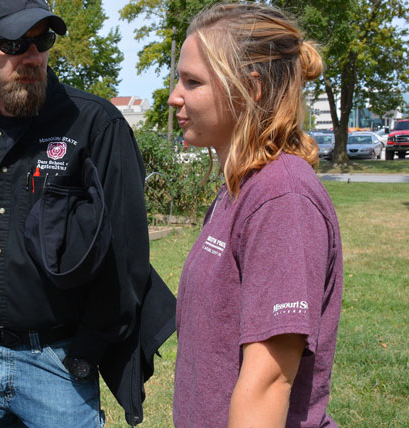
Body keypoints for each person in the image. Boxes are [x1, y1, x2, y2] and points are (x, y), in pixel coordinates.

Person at [0, 0, 175, 426]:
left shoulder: (94, 125)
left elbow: (126, 259)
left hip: (56, 361)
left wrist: (86, 350)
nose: (31, 56)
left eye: (42, 40)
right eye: (13, 43)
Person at [168, 3, 343, 427]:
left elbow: (268, 385)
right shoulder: (243, 187)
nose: (175, 95)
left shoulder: (282, 198)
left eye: (192, 82)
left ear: (252, 89)